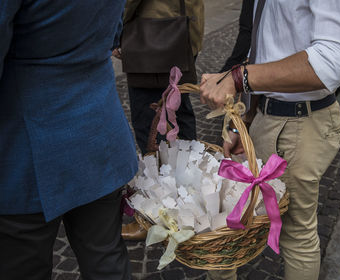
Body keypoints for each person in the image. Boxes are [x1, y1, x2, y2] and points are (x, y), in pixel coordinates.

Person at [200, 1, 340, 280]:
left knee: (296, 233)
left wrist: (238, 78)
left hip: (298, 122)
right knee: (226, 215)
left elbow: (331, 59)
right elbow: (265, 46)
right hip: (265, 115)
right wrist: (245, 119)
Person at [0, 1, 138, 279]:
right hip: (99, 128)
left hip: (26, 145)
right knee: (105, 260)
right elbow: (113, 32)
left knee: (22, 265)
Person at [113, 0, 204, 241]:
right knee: (179, 118)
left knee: (150, 127)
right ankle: (190, 205)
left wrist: (114, 31)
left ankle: (157, 213)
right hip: (179, 32)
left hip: (151, 38)